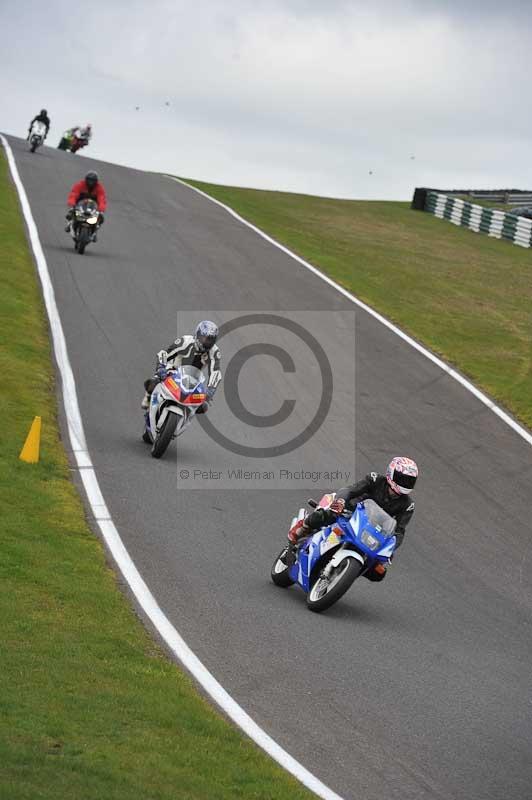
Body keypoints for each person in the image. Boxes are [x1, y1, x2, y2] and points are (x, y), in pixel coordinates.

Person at [287, 457, 418, 581]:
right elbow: (349, 490)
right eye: (402, 479)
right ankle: (304, 525)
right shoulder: (375, 479)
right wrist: (341, 501)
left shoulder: (407, 505)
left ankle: (343, 573)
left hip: (372, 531)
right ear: (391, 473)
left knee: (378, 572)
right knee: (330, 515)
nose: (405, 483)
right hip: (350, 511)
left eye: (409, 481)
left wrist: (391, 547)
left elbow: (399, 531)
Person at [141, 321, 222, 413]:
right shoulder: (185, 341)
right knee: (153, 383)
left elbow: (215, 372)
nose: (206, 342)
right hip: (172, 370)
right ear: (197, 334)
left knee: (203, 407)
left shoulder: (214, 352)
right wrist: (161, 367)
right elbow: (165, 354)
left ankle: (185, 419)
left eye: (210, 339)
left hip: (193, 380)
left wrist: (211, 389)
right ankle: (148, 397)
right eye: (204, 338)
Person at [65, 171, 106, 236]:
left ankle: (95, 232)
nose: (91, 182)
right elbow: (74, 194)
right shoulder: (80, 185)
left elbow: (102, 198)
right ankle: (69, 224)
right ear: (86, 179)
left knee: (101, 218)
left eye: (92, 180)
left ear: (96, 181)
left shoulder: (99, 188)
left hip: (93, 206)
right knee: (70, 213)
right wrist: (72, 203)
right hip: (80, 204)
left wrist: (101, 209)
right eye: (89, 180)